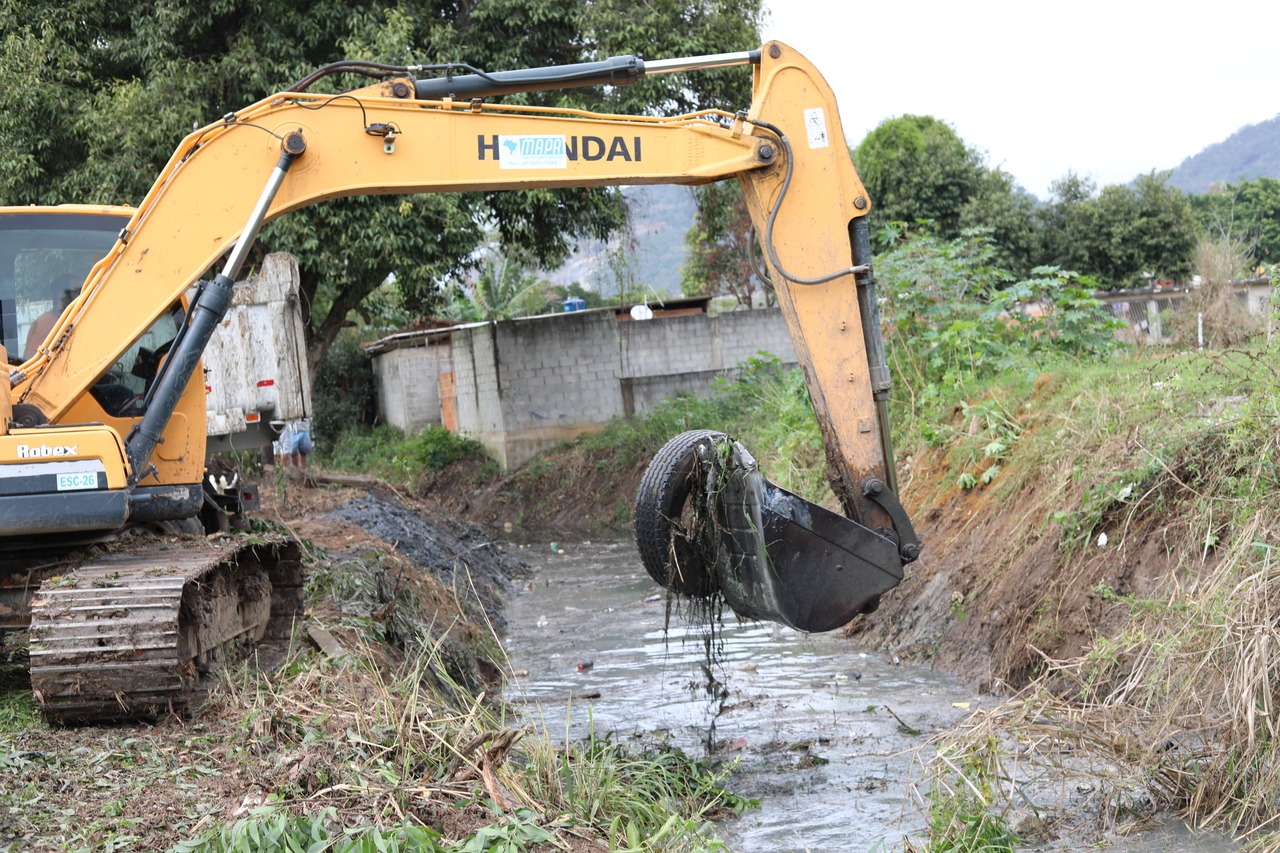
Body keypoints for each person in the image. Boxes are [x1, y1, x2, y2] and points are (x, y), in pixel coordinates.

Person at [25, 275, 81, 359]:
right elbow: (34, 362)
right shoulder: (46, 324)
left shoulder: (76, 320)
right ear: (61, 297)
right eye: (78, 293)